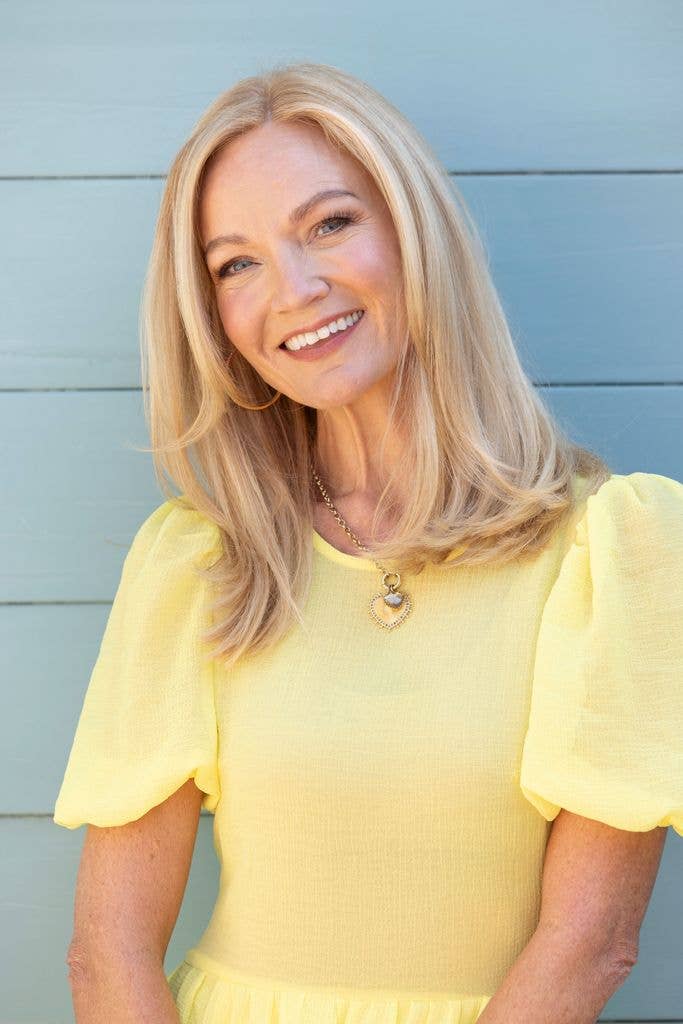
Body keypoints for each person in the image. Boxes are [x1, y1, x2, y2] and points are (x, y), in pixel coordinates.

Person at [53, 62, 683, 1024]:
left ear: (412, 230)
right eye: (236, 263)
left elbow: (591, 946)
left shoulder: (616, 551)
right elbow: (108, 956)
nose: (294, 289)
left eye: (329, 224)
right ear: (213, 317)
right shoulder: (197, 564)